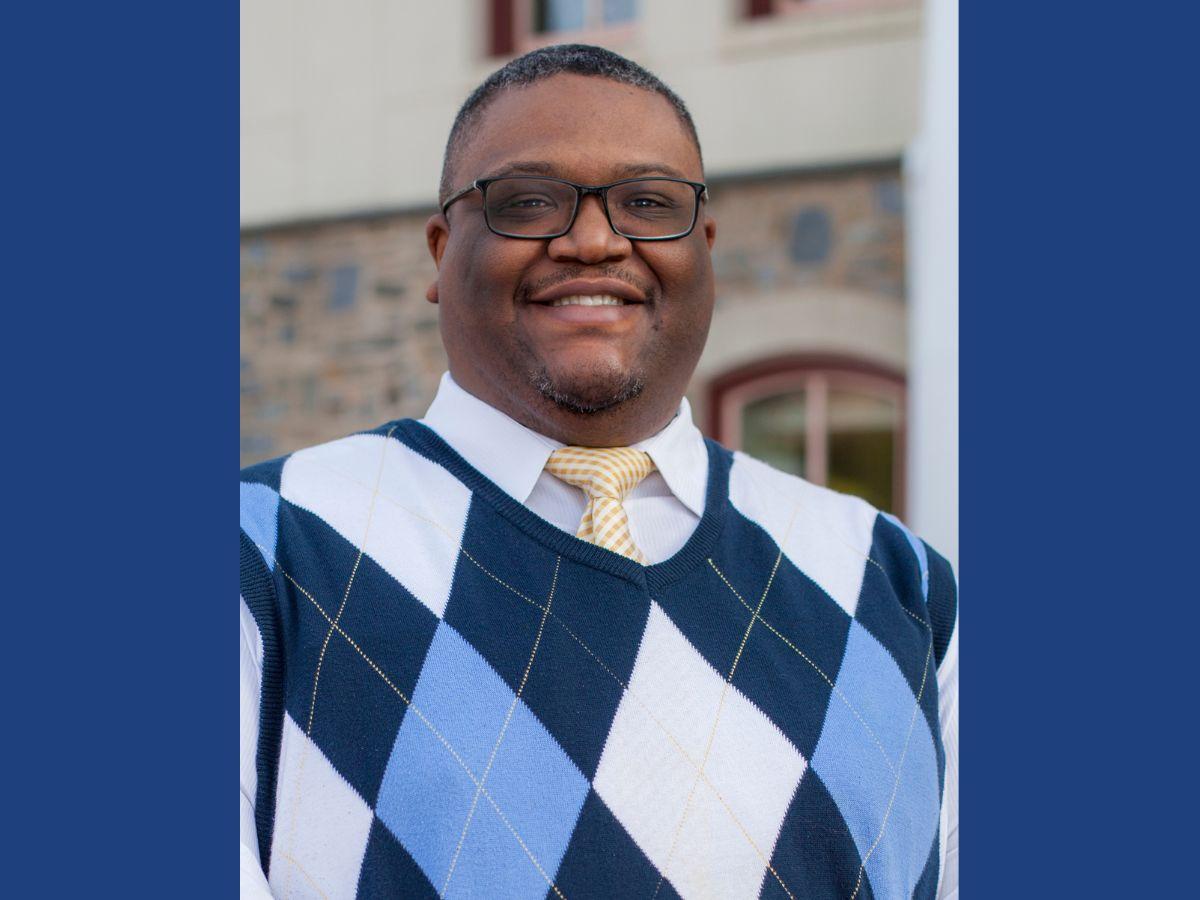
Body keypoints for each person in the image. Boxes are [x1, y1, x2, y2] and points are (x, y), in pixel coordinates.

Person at [240, 44, 958, 900]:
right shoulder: (266, 553)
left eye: (649, 203)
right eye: (529, 201)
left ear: (707, 247)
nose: (592, 240)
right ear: (439, 250)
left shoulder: (898, 583)